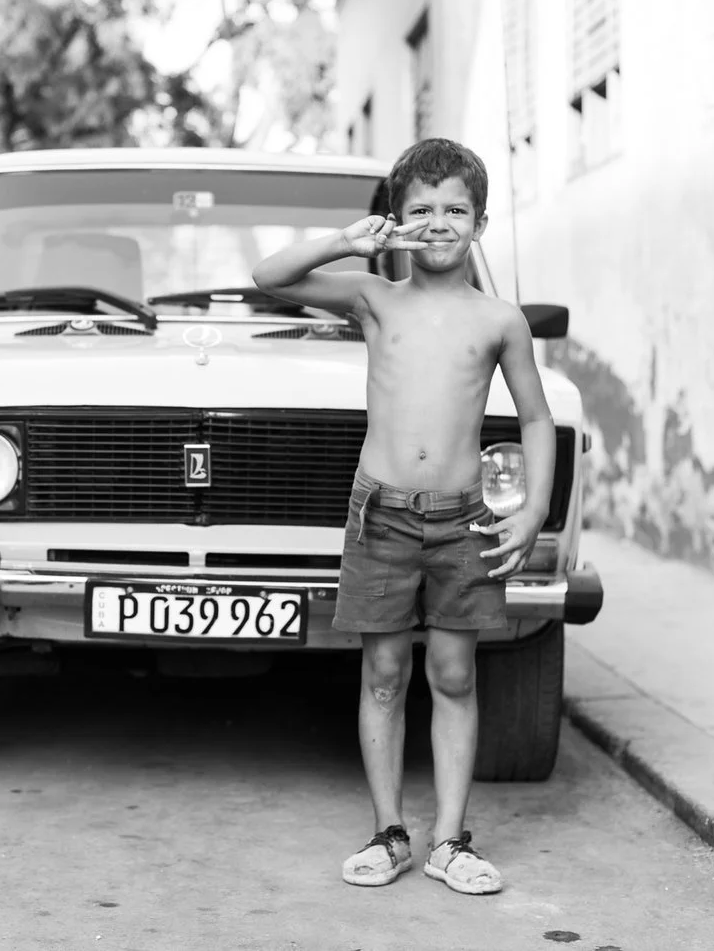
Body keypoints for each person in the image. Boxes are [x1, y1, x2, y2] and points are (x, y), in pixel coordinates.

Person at [251, 138, 554, 896]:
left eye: (456, 209)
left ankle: (449, 841)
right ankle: (390, 835)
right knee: (384, 671)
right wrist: (349, 241)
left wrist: (535, 509)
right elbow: (267, 278)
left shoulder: (499, 320)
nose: (440, 223)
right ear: (397, 221)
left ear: (480, 223)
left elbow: (538, 419)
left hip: (464, 521)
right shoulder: (372, 296)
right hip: (380, 513)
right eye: (422, 209)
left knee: (453, 674)